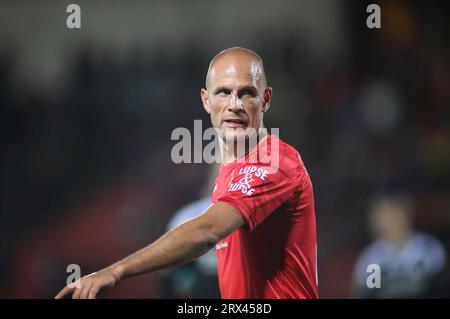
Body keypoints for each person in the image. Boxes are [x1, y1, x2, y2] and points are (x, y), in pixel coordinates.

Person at [55, 47, 318, 299]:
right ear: (206, 100)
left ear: (266, 100)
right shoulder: (230, 174)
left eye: (247, 93)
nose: (234, 104)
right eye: (224, 92)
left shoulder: (275, 162)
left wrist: (115, 271)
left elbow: (207, 231)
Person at [351, 193, 447, 298]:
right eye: (379, 215)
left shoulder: (428, 248)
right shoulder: (371, 257)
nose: (384, 221)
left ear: (404, 214)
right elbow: (367, 293)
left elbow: (440, 288)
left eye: (390, 214)